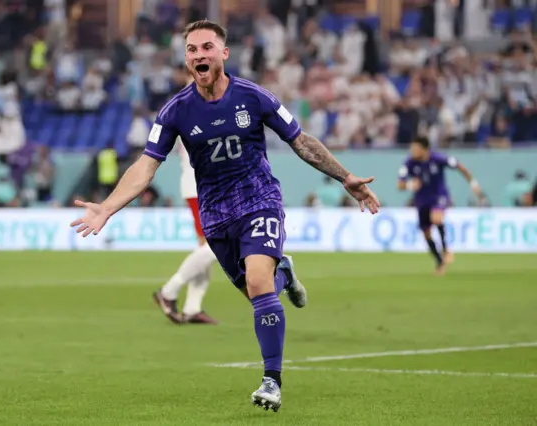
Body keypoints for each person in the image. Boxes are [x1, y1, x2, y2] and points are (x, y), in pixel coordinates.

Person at [70, 20, 380, 413]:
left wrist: (345, 177)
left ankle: (272, 381)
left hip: (259, 200)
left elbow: (300, 141)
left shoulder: (254, 96)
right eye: (191, 50)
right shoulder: (175, 111)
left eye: (206, 47)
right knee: (258, 290)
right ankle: (285, 273)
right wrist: (108, 206)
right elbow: (146, 166)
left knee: (257, 280)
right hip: (216, 215)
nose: (199, 55)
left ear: (223, 53)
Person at [152, 139, 219, 325]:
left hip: (206, 186)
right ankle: (168, 292)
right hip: (202, 186)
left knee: (207, 248)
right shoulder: (193, 112)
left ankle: (192, 309)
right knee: (216, 246)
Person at [398, 136, 481, 274]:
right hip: (421, 200)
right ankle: (439, 262)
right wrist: (410, 184)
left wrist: (473, 183)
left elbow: (459, 165)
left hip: (439, 196)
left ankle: (446, 249)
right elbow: (400, 185)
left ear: (424, 149)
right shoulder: (409, 163)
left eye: (415, 148)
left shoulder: (438, 159)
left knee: (437, 218)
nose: (412, 151)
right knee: (426, 234)